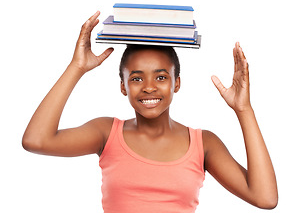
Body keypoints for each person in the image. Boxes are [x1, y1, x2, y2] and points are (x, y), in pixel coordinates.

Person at [22, 11, 278, 212]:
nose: (149, 88)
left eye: (161, 77)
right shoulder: (106, 133)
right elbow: (36, 140)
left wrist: (244, 109)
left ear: (176, 83)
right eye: (136, 79)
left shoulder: (203, 143)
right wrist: (77, 66)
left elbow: (265, 198)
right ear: (122, 86)